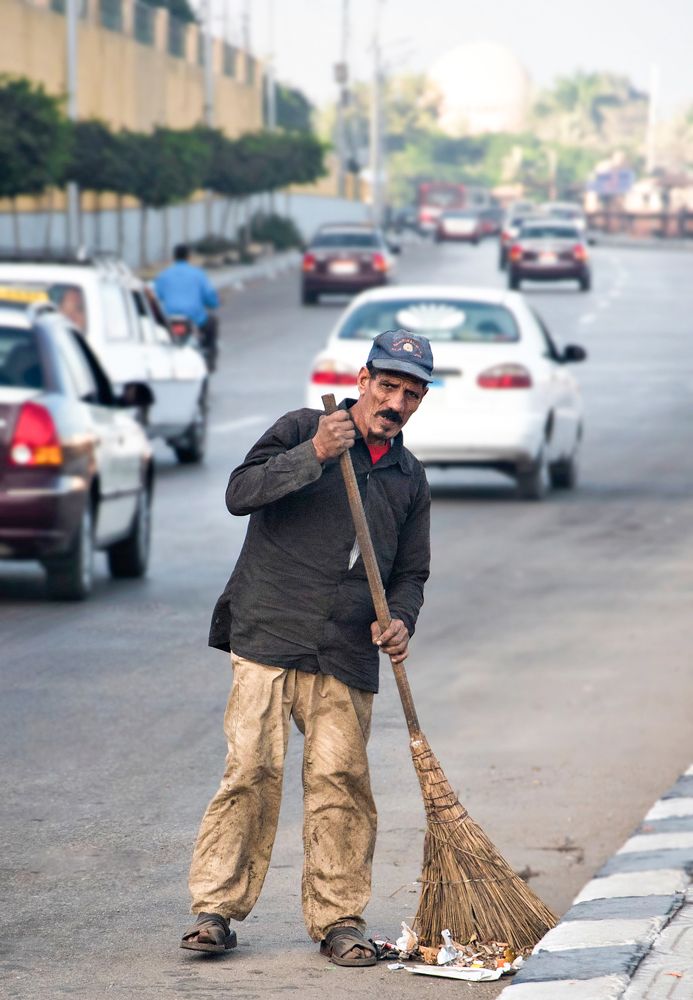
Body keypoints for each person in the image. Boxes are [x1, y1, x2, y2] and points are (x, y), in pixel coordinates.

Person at [180, 330, 434, 966]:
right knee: (250, 773)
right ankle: (215, 912)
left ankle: (339, 920)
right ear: (362, 379)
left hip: (346, 650)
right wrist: (315, 453)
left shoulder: (408, 478)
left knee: (341, 782)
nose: (394, 402)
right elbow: (240, 493)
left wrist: (399, 619)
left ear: (420, 401)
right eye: (387, 385)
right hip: (269, 632)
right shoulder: (301, 427)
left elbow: (411, 574)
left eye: (410, 392)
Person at [154, 244, 219, 367]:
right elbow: (210, 297)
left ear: (174, 257)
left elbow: (157, 296)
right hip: (195, 319)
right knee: (212, 322)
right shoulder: (198, 274)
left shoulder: (164, 275)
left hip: (170, 319)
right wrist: (214, 303)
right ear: (189, 257)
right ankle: (210, 358)